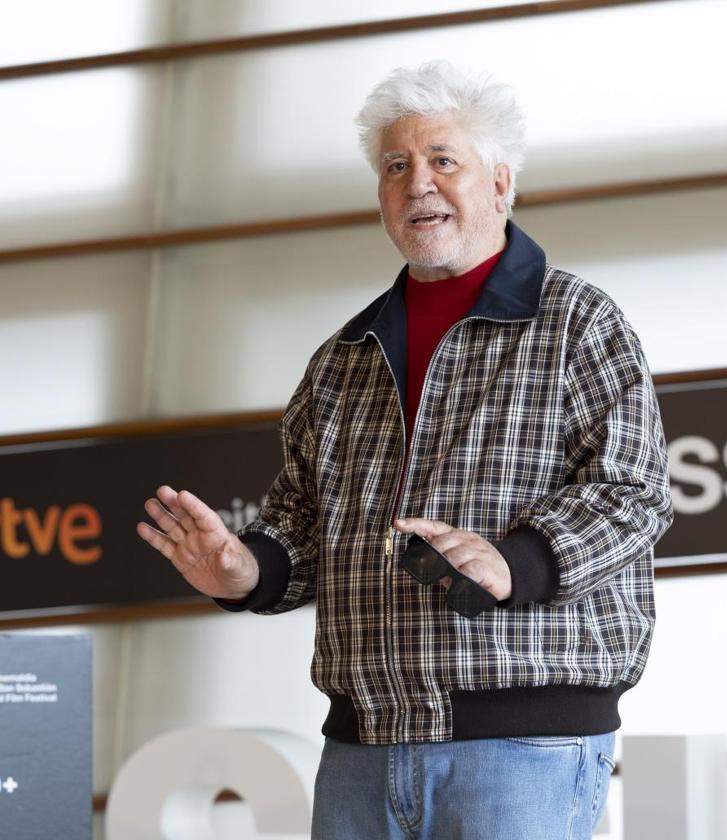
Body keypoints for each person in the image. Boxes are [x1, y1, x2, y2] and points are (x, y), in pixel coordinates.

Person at [135, 60, 673, 839]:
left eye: (442, 161)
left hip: (522, 742)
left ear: (499, 183)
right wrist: (247, 571)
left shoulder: (577, 322)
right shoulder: (343, 358)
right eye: (396, 167)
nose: (417, 183)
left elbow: (634, 493)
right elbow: (301, 522)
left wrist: (512, 561)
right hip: (362, 748)